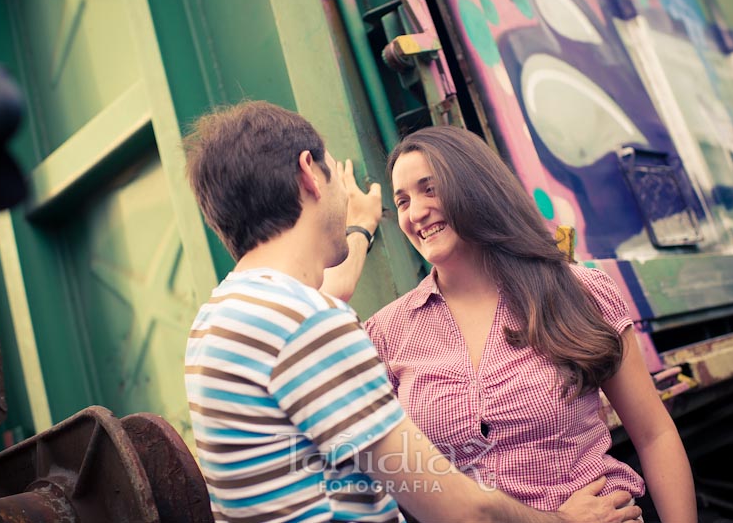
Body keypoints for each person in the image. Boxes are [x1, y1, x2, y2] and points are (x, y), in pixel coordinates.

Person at [182, 100, 643, 523]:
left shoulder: (216, 320)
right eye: (401, 200)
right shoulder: (310, 323)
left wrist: (359, 231)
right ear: (310, 173)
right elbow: (456, 507)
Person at [365, 126, 697, 523]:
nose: (415, 212)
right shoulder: (387, 332)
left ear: (475, 188)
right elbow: (394, 482)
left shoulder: (577, 291)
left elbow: (654, 434)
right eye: (402, 201)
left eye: (430, 189)